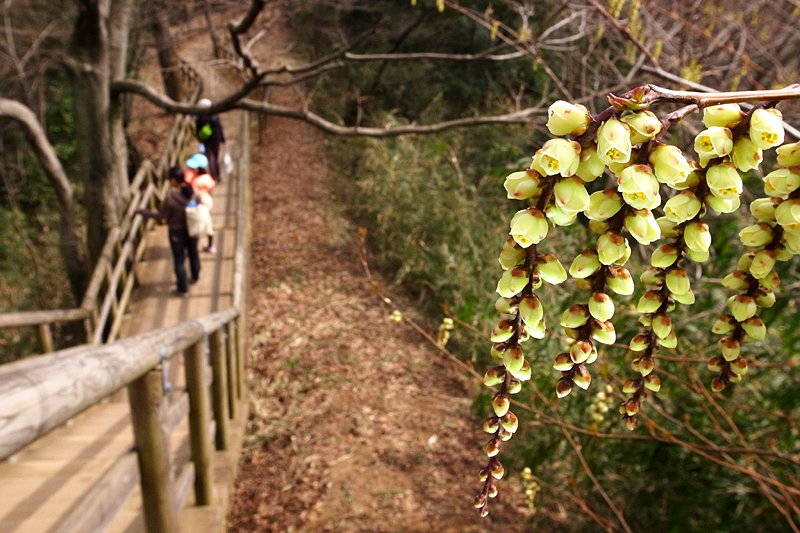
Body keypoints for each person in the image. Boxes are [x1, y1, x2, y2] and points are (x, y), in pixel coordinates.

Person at [135, 167, 200, 296]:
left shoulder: (171, 198)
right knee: (193, 252)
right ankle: (195, 275)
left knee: (179, 260)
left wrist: (143, 212)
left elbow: (162, 217)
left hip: (176, 232)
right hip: (193, 228)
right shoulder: (193, 192)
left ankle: (183, 289)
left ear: (173, 181)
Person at [185, 153, 217, 253]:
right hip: (203, 203)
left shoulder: (200, 179)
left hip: (201, 204)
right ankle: (208, 245)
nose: (191, 169)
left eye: (193, 167)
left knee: (200, 225)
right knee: (206, 224)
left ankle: (205, 246)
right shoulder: (205, 177)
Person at [195, 98, 226, 183]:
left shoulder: (200, 117)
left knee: (210, 158)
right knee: (215, 158)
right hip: (215, 139)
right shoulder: (214, 116)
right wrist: (222, 139)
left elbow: (198, 129)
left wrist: (200, 139)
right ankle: (217, 175)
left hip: (206, 140)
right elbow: (219, 127)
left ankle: (214, 176)